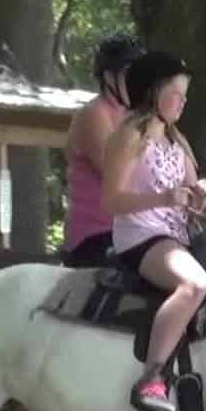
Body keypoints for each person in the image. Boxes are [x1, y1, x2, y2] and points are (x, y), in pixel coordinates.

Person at [103, 51, 206, 411]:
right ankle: (150, 379)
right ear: (152, 93)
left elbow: (193, 203)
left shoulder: (177, 143)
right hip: (140, 236)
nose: (183, 102)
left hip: (176, 237)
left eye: (185, 95)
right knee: (194, 284)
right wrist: (164, 198)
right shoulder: (129, 136)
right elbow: (112, 200)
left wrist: (199, 195)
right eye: (175, 93)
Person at [63, 34, 146, 267]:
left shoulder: (136, 118)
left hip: (132, 232)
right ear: (109, 77)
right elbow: (117, 173)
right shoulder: (94, 114)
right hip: (96, 235)